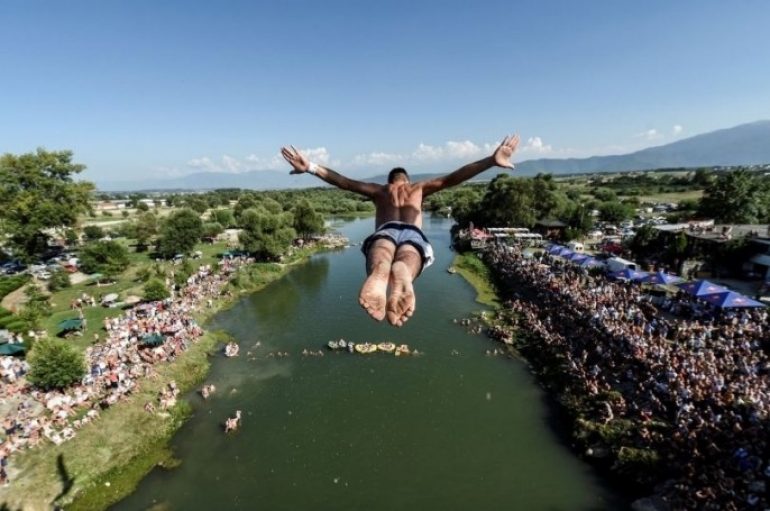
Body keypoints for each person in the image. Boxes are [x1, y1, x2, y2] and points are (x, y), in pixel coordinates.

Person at [281, 134, 519, 326]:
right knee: (410, 255)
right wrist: (490, 161)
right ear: (407, 179)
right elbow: (453, 178)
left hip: (386, 230)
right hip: (412, 233)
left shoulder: (379, 190)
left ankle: (381, 269)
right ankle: (403, 272)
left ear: (390, 181)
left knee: (382, 250)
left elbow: (344, 182)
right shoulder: (419, 188)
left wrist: (311, 166)